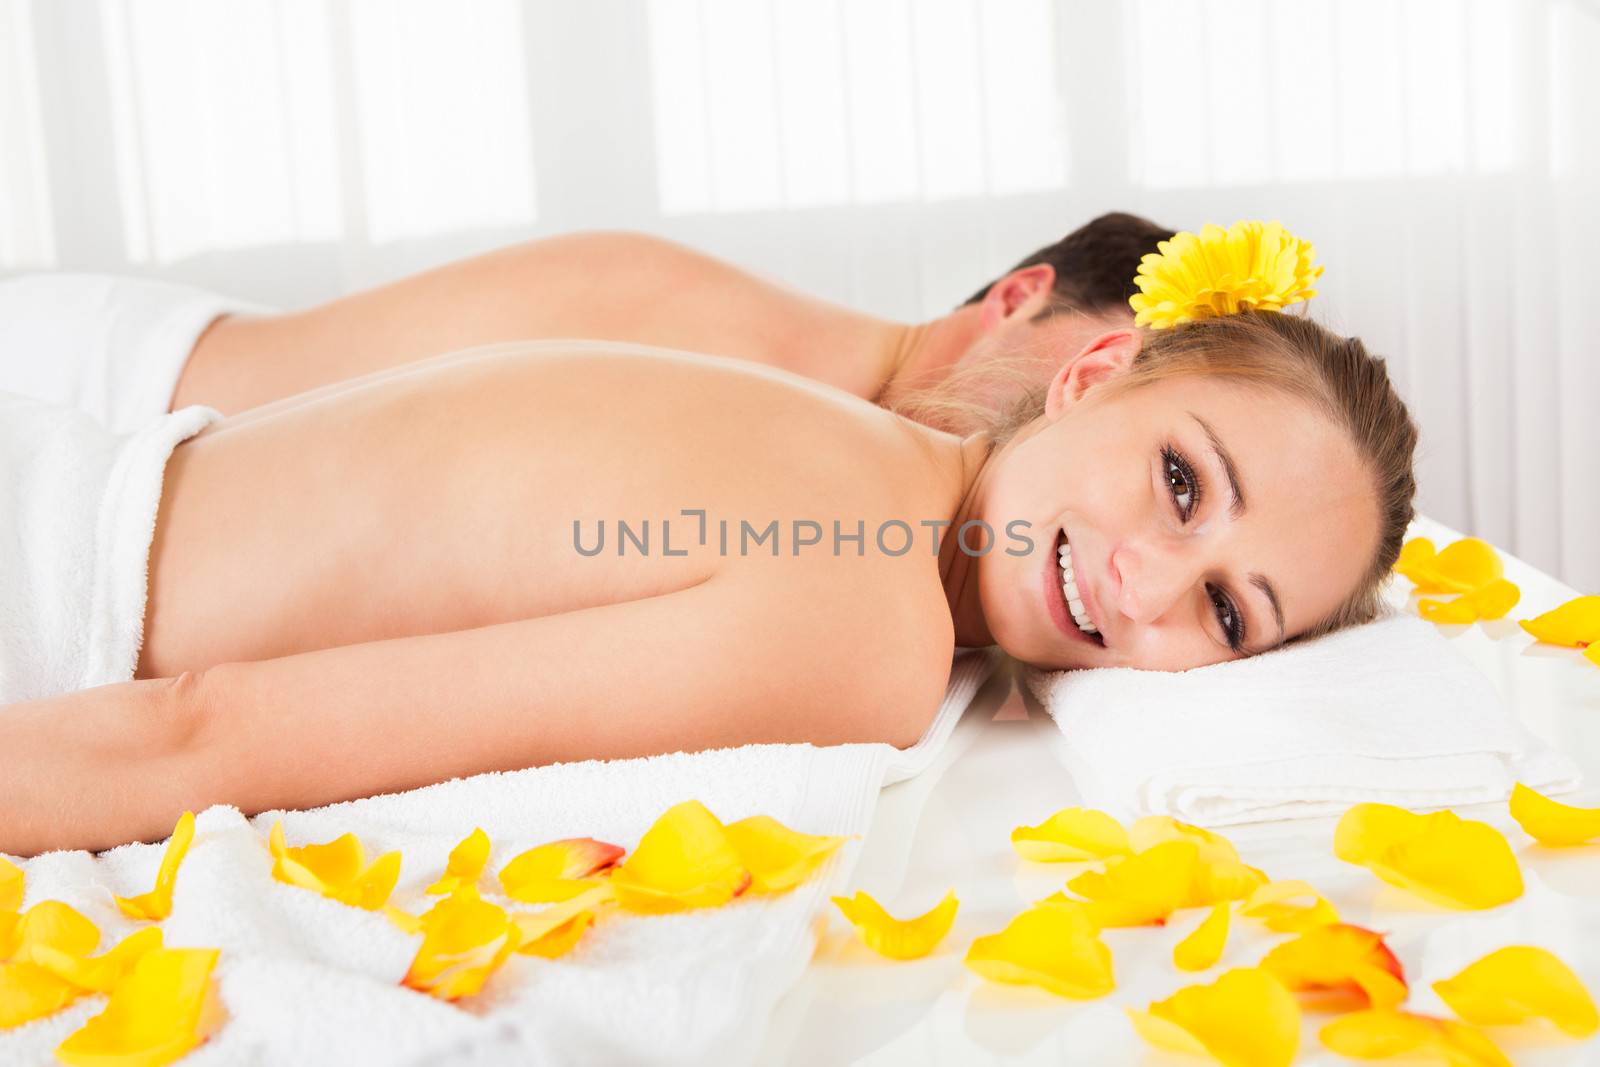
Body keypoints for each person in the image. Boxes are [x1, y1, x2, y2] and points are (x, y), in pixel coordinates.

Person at [0, 230, 1420, 855]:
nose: (1149, 585)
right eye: (1180, 482)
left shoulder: (828, 443)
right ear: (1093, 370)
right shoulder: (868, 629)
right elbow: (204, 731)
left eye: (1230, 615)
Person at [0, 213, 1173, 434]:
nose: (1061, 432)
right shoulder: (718, 345)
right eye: (1081, 381)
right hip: (96, 388)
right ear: (1016, 296)